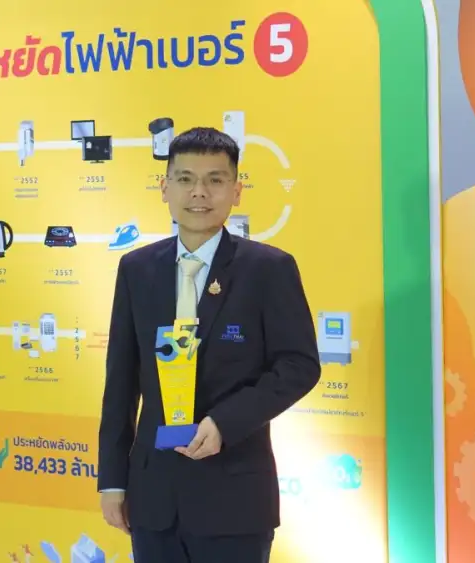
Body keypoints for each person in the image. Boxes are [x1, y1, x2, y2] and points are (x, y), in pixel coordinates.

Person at [97, 127, 321, 563]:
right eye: (185, 179)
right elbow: (120, 382)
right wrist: (113, 480)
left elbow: (299, 365)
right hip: (154, 498)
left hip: (234, 497)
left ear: (236, 191)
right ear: (164, 188)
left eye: (215, 180)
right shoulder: (136, 269)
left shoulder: (268, 269)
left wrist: (225, 423)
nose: (199, 192)